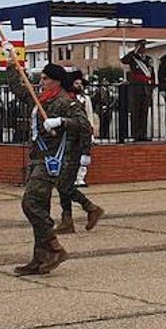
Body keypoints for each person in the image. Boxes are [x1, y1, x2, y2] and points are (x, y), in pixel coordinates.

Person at [6, 62, 89, 274]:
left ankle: (54, 247)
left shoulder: (64, 102)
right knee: (40, 208)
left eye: (45, 79)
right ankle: (39, 258)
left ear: (57, 81)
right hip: (37, 159)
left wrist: (61, 122)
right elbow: (20, 90)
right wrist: (10, 66)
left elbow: (83, 124)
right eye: (41, 79)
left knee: (30, 203)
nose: (41, 82)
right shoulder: (41, 101)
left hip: (51, 161)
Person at [54, 70, 104, 233]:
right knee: (63, 185)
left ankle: (89, 208)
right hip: (63, 147)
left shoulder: (75, 102)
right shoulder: (62, 100)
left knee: (64, 186)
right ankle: (68, 218)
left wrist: (86, 151)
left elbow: (85, 124)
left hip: (73, 147)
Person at [121, 40, 154, 141]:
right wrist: (134, 51)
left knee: (144, 112)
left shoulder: (148, 59)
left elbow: (152, 74)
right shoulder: (133, 58)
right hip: (135, 88)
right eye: (141, 46)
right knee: (135, 111)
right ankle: (135, 134)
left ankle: (143, 133)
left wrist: (152, 87)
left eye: (144, 46)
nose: (143, 48)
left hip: (146, 88)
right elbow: (123, 60)